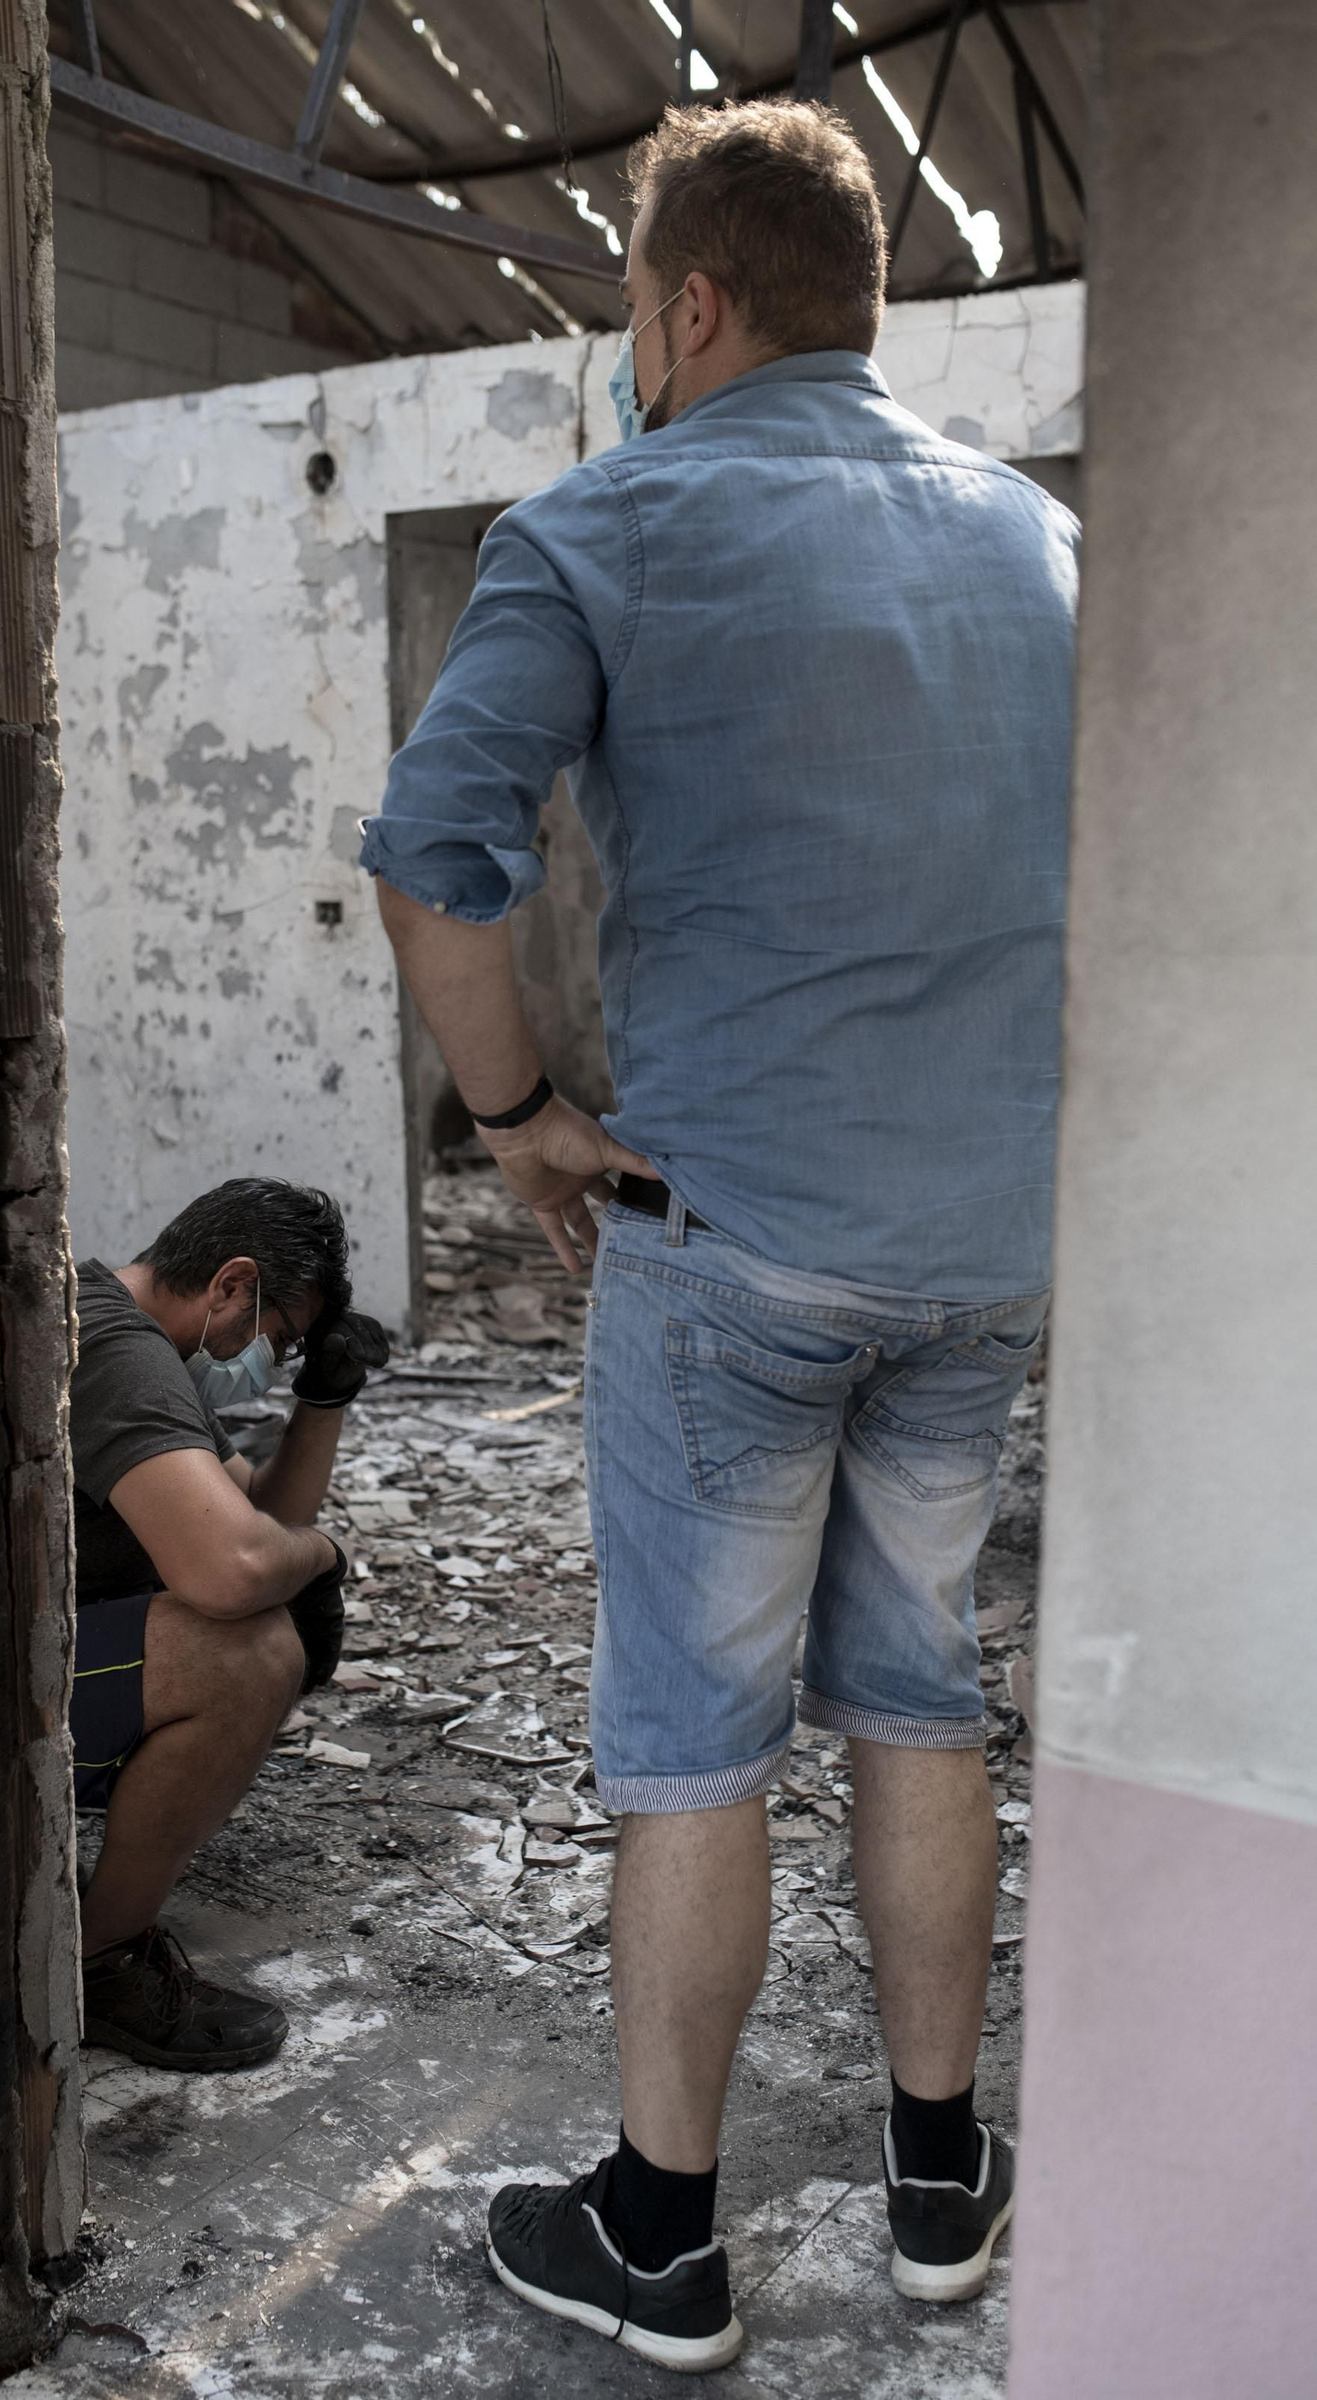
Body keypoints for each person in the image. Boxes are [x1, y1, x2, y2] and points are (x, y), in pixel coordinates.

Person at [363, 100, 1078, 2374]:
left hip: (728, 1246)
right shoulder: (1034, 546)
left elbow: (432, 855)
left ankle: (658, 2229)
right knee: (916, 1687)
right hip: (975, 1250)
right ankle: (940, 2177)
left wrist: (514, 1118)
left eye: (629, 323)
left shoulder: (608, 523)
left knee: (692, 1733)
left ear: (685, 305)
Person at [69, 1177, 387, 2071]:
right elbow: (235, 1567)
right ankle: (95, 1964)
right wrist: (322, 1558)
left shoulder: (140, 1341)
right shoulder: (116, 1351)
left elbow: (260, 1519)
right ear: (232, 1286)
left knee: (256, 1617)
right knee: (243, 1655)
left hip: (39, 1652)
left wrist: (320, 1403)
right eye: (279, 1340)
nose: (272, 1363)